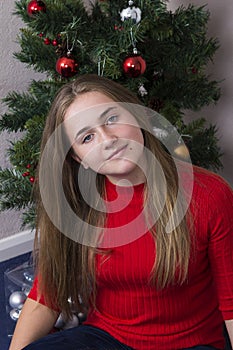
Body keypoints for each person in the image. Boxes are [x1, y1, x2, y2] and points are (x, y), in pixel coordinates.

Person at [9, 74, 233, 350]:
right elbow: (46, 297)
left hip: (189, 343)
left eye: (112, 119)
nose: (107, 140)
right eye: (87, 137)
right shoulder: (78, 203)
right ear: (80, 159)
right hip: (108, 338)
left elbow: (232, 304)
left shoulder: (209, 194)